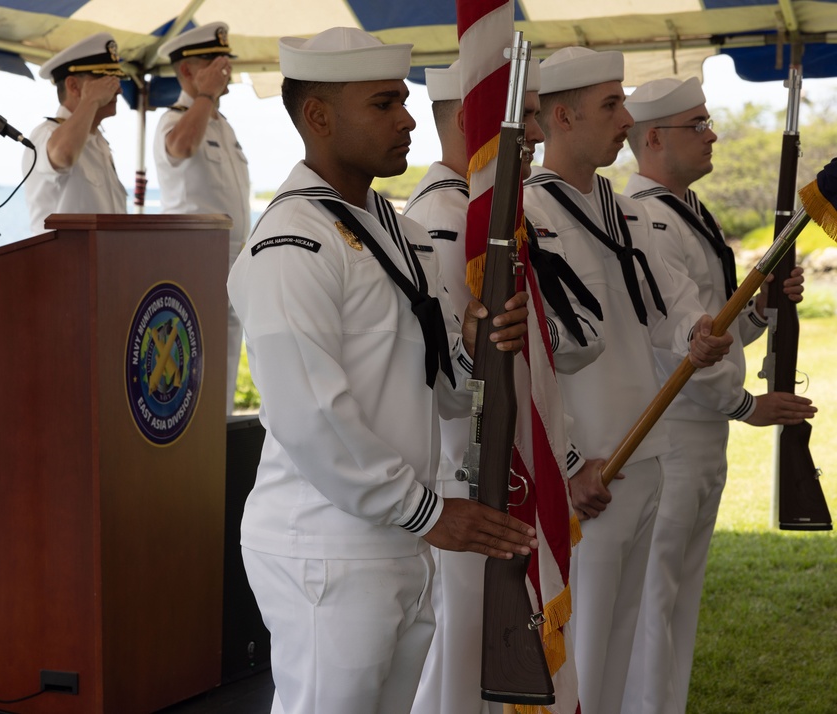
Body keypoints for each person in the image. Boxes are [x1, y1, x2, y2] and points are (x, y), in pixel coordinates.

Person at [227, 27, 539, 714]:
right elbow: (310, 413)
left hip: (394, 536)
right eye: (383, 104)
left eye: (402, 100)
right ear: (319, 117)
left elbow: (436, 388)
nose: (406, 120)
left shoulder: (393, 230)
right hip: (329, 545)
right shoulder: (293, 242)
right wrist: (427, 513)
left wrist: (474, 348)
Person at [522, 46, 733, 714]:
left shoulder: (626, 210)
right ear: (562, 116)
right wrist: (574, 461)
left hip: (646, 458)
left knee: (624, 648)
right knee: (576, 661)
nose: (625, 117)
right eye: (611, 105)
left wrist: (696, 334)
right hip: (589, 479)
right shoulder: (525, 215)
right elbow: (527, 361)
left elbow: (669, 307)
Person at [404, 59, 603, 714]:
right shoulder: (440, 220)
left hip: (505, 464)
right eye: (530, 114)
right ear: (476, 123)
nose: (542, 130)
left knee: (492, 657)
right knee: (464, 662)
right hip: (474, 472)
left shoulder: (503, 215)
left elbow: (564, 347)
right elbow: (450, 379)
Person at [620, 77, 815, 714]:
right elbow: (675, 345)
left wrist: (759, 311)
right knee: (653, 607)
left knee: (678, 605)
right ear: (653, 139)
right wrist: (747, 406)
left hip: (702, 437)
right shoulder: (645, 219)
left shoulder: (690, 211)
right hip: (672, 436)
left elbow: (717, 329)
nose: (712, 135)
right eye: (696, 125)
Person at [154, 23, 250, 413]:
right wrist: (205, 96)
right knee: (191, 381)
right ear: (186, 73)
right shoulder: (173, 119)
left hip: (231, 267)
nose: (223, 69)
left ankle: (220, 460)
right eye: (212, 62)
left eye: (225, 62)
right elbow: (180, 145)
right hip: (192, 269)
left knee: (224, 375)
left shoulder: (222, 125)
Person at [23, 32, 127, 232]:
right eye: (106, 80)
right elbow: (63, 154)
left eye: (117, 80)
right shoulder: (46, 134)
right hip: (64, 261)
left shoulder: (98, 141)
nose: (118, 90)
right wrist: (91, 100)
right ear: (73, 85)